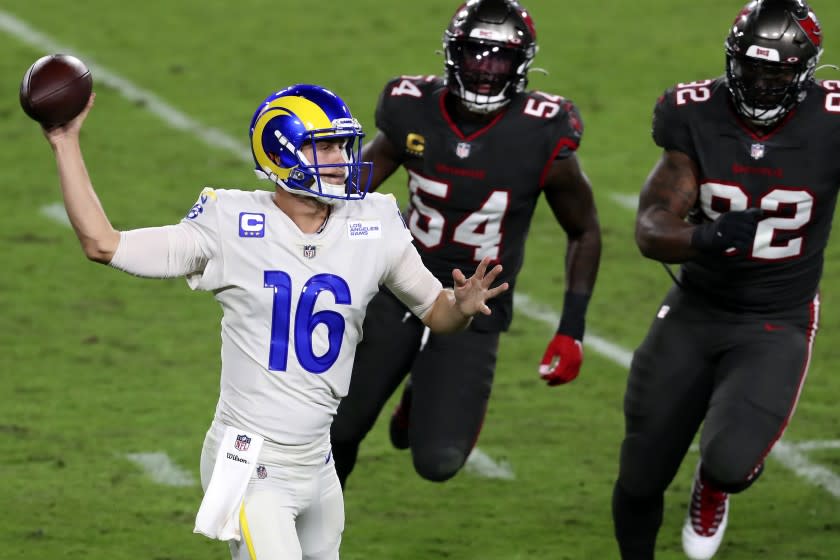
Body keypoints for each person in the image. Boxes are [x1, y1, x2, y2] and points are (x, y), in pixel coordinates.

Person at [39, 83, 509, 560]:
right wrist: (65, 141)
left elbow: (436, 313)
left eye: (343, 145)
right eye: (324, 145)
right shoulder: (230, 222)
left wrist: (461, 307)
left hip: (317, 462)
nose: (341, 158)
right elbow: (103, 243)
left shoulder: (375, 222)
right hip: (249, 461)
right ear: (283, 152)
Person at [330, 0, 601, 487]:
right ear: (452, 55)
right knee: (339, 426)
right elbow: (353, 188)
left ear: (521, 64)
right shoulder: (411, 108)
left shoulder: (543, 132)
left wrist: (571, 328)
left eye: (498, 58)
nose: (484, 70)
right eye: (474, 54)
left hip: (478, 299)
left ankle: (420, 389)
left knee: (438, 462)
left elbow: (584, 230)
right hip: (401, 280)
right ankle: (313, 534)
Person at [611, 1, 836, 559]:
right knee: (640, 474)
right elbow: (651, 226)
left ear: (804, 71)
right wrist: (705, 238)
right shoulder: (695, 113)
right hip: (697, 307)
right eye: (751, 67)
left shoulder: (830, 120)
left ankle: (712, 487)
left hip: (776, 316)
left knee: (731, 463)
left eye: (777, 71)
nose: (760, 83)